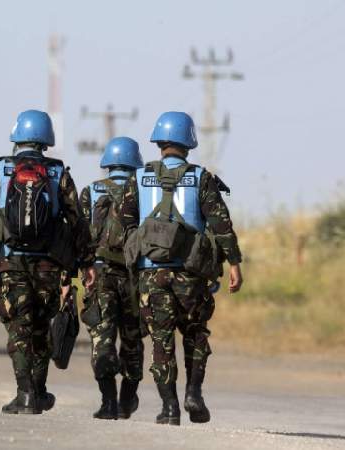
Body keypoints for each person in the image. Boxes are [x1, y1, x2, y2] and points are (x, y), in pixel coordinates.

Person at [0, 109, 94, 414]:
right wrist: (86, 263)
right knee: (42, 325)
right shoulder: (58, 173)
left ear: (17, 136)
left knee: (19, 325)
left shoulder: (1, 169)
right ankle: (39, 390)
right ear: (46, 139)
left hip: (10, 263)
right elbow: (78, 221)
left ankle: (25, 393)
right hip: (49, 264)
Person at [124, 111, 243, 425]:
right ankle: (194, 393)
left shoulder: (138, 177)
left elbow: (120, 225)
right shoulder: (201, 177)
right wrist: (235, 263)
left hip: (151, 275)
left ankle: (170, 408)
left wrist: (133, 260)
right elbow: (221, 225)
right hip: (190, 276)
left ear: (159, 141)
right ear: (189, 142)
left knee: (161, 341)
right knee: (195, 334)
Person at [78, 137, 144, 420]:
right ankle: (127, 399)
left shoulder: (91, 191)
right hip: (134, 276)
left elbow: (79, 237)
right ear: (135, 163)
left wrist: (82, 270)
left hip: (100, 274)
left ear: (107, 162)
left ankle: (108, 403)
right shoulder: (143, 191)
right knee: (133, 340)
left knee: (102, 339)